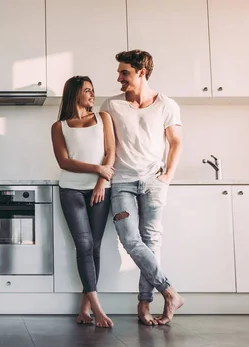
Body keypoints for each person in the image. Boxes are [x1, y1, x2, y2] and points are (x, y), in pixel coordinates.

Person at [100, 49, 185, 325]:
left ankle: (144, 304)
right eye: (119, 72)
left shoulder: (167, 105)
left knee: (151, 242)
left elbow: (176, 142)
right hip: (122, 182)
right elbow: (107, 148)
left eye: (124, 72)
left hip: (154, 182)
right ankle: (170, 291)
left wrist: (168, 176)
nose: (119, 77)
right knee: (131, 240)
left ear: (141, 72)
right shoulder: (110, 105)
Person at [51, 76, 116, 328]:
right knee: (84, 244)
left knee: (95, 247)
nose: (92, 94)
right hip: (71, 190)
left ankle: (84, 308)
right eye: (87, 90)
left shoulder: (103, 118)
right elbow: (64, 162)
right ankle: (98, 309)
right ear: (75, 94)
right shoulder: (60, 126)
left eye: (92, 89)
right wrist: (98, 169)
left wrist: (102, 179)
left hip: (101, 189)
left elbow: (111, 152)